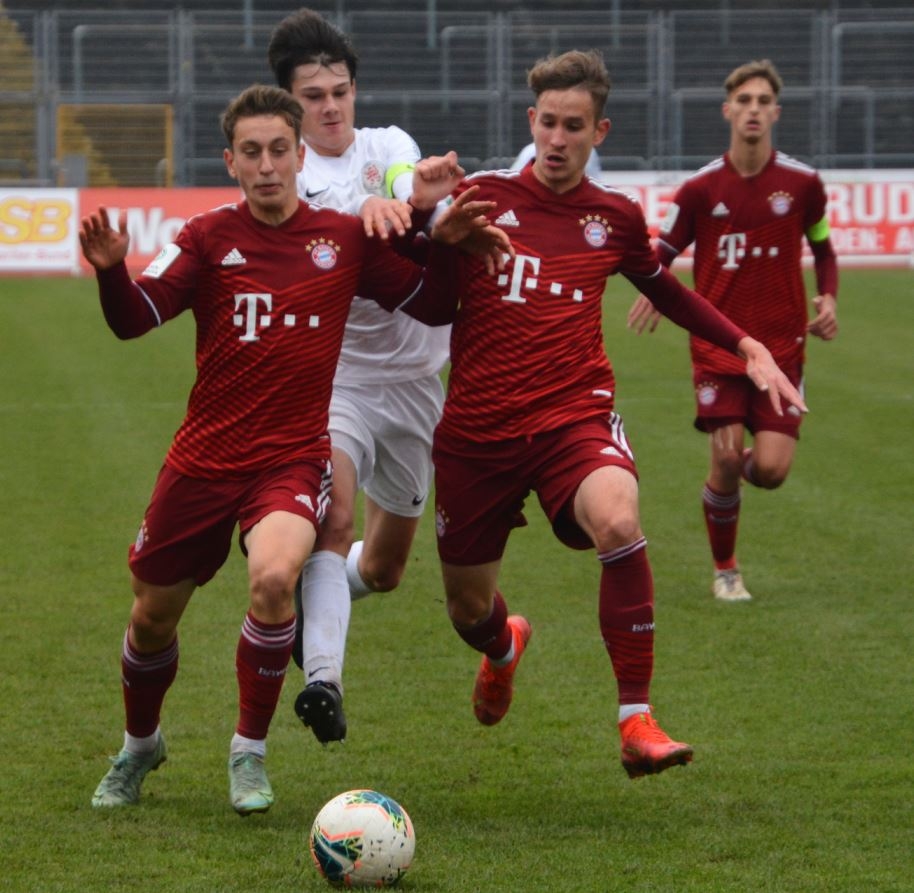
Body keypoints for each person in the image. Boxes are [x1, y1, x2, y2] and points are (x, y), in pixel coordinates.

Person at [82, 84, 494, 815]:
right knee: (151, 617)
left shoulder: (343, 239)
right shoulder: (206, 237)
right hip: (204, 459)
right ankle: (140, 745)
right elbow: (135, 318)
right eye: (252, 152)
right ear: (231, 162)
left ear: (301, 156)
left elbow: (433, 304)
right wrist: (114, 271)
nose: (267, 164)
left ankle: (249, 751)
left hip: (291, 460)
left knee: (275, 580)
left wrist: (445, 245)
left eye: (279, 149)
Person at [426, 49, 807, 779]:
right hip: (477, 433)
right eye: (548, 122)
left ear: (599, 132)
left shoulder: (614, 216)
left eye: (574, 126)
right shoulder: (481, 199)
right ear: (530, 120)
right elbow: (431, 301)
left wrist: (746, 344)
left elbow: (666, 290)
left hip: (574, 416)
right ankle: (504, 646)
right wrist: (438, 240)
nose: (558, 139)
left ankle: (636, 719)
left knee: (620, 520)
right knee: (467, 609)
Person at [267, 8, 453, 745]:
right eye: (313, 96)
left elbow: (407, 181)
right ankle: (323, 679)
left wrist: (408, 196)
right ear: (290, 104)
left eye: (340, 91)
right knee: (334, 516)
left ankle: (315, 605)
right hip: (337, 378)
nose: (331, 107)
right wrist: (366, 216)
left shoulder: (387, 145)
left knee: (383, 568)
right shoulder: (289, 173)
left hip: (416, 380)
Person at [627, 59, 838, 602]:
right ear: (727, 110)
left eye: (763, 101)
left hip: (783, 346)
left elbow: (822, 246)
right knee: (723, 457)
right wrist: (653, 288)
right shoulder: (700, 189)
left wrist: (828, 296)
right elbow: (663, 249)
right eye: (744, 101)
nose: (753, 110)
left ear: (776, 112)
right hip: (719, 346)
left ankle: (732, 480)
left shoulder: (804, 185)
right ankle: (726, 569)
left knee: (770, 471)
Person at [511, 140, 602, 179]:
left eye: (573, 127)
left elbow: (595, 185)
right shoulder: (531, 151)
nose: (557, 141)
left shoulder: (587, 151)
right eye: (549, 124)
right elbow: (514, 181)